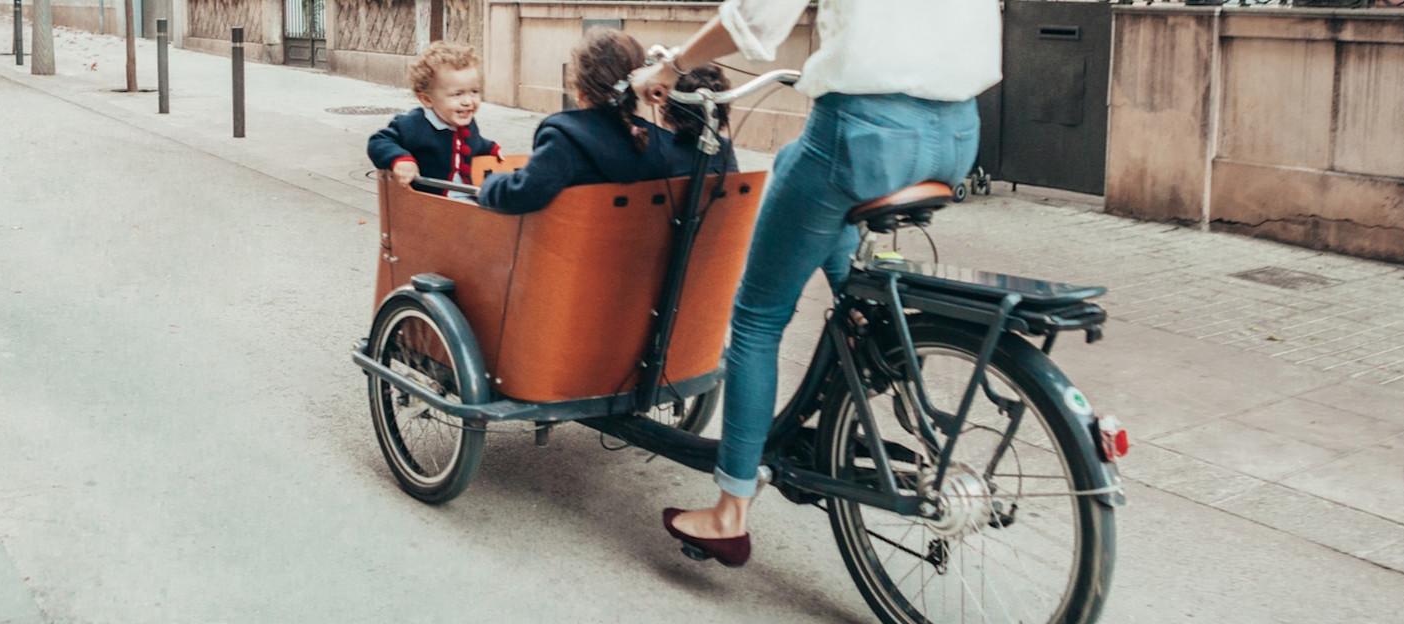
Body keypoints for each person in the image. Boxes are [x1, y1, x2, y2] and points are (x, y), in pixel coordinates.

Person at [632, 0, 999, 568]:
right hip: (958, 135)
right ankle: (858, 321)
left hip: (863, 135)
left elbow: (752, 19)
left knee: (758, 315)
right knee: (792, 163)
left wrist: (674, 66)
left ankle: (729, 511)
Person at [477, 29, 737, 215]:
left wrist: (488, 185)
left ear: (579, 91)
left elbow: (522, 194)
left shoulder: (565, 139)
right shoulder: (658, 143)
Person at [366, 42, 502, 200]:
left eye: (474, 92)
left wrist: (491, 148)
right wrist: (400, 159)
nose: (468, 101)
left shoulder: (467, 124)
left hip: (466, 198)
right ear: (427, 99)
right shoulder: (414, 124)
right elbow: (379, 141)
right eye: (457, 94)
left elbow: (475, 143)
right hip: (431, 205)